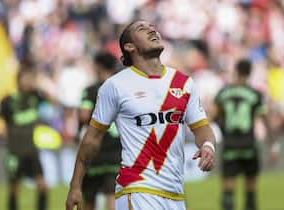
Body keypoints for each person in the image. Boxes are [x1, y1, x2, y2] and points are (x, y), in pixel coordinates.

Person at [66, 20, 216, 210]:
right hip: (137, 190)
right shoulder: (115, 86)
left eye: (152, 27)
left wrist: (208, 146)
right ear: (129, 46)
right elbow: (92, 139)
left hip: (175, 195)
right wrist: (75, 185)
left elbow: (202, 128)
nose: (151, 29)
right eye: (141, 28)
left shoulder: (183, 82)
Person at [214, 58, 279, 210]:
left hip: (230, 144)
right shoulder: (255, 94)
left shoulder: (223, 93)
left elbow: (217, 116)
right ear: (249, 73)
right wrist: (273, 143)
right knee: (250, 188)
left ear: (236, 71)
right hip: (248, 144)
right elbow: (265, 119)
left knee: (228, 188)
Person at [0, 63, 48, 210]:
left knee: (43, 186)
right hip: (15, 151)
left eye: (31, 78)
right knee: (14, 188)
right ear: (19, 79)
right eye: (27, 78)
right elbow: (3, 125)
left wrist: (39, 84)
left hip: (31, 150)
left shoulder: (35, 97)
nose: (29, 81)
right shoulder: (8, 100)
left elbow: (53, 100)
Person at [79, 52, 121, 210]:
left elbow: (83, 115)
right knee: (113, 194)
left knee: (89, 196)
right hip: (117, 149)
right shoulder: (120, 89)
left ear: (97, 66)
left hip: (95, 149)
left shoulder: (90, 90)